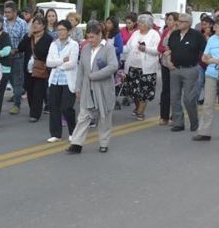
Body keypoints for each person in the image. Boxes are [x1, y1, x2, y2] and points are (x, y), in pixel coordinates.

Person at [67, 22, 118, 154]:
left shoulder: (108, 48)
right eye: (88, 37)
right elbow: (81, 70)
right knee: (83, 116)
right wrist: (77, 87)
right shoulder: (85, 49)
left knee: (104, 116)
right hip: (87, 89)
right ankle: (76, 144)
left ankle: (104, 143)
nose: (90, 40)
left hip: (103, 89)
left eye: (93, 37)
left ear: (100, 35)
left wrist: (94, 76)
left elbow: (113, 66)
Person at [165, 13, 206, 132]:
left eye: (182, 21)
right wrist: (168, 62)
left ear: (188, 23)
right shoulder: (174, 34)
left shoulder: (197, 35)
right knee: (174, 97)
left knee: (188, 98)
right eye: (178, 21)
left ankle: (194, 122)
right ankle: (178, 123)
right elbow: (168, 50)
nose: (178, 23)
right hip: (175, 69)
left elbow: (205, 50)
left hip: (190, 69)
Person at [122, 14, 161, 121]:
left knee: (143, 91)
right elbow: (128, 47)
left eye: (142, 23)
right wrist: (118, 49)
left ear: (148, 24)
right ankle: (137, 108)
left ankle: (140, 112)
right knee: (133, 91)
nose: (139, 24)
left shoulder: (154, 34)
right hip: (132, 66)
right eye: (139, 22)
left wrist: (146, 48)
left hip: (146, 68)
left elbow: (158, 50)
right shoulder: (135, 33)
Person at [46, 19, 79, 142]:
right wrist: (61, 61)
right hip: (54, 80)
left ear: (69, 31)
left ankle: (72, 131)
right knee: (54, 107)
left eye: (63, 29)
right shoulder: (53, 44)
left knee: (67, 107)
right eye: (58, 30)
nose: (60, 32)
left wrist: (57, 64)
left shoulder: (74, 44)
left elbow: (72, 63)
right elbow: (49, 63)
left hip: (68, 80)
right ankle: (56, 134)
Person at [18, 17, 53, 122]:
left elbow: (49, 53)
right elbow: (20, 48)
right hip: (29, 68)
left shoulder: (48, 38)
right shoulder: (29, 37)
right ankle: (32, 109)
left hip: (41, 68)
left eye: (38, 23)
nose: (35, 25)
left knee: (38, 91)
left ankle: (35, 114)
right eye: (34, 23)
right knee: (30, 90)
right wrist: (28, 36)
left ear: (43, 26)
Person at [2, 1, 28, 115]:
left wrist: (16, 50)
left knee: (17, 81)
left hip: (18, 56)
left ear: (15, 12)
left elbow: (25, 40)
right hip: (4, 57)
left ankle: (16, 105)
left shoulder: (22, 23)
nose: (6, 14)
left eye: (9, 12)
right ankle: (20, 91)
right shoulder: (2, 22)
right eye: (5, 12)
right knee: (9, 79)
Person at [158, 12, 179, 125]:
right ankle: (163, 116)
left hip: (175, 63)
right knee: (165, 90)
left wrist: (170, 49)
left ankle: (174, 115)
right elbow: (159, 46)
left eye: (170, 19)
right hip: (165, 63)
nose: (168, 22)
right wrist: (165, 49)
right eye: (167, 20)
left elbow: (179, 47)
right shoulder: (166, 31)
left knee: (175, 90)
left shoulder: (179, 33)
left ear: (176, 21)